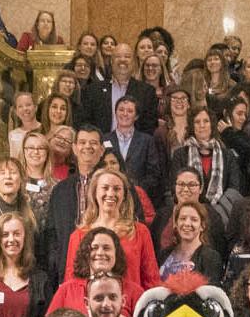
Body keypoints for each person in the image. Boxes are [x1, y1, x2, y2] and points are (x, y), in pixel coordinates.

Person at [66, 169, 160, 303]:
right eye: (105, 188)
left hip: (130, 309)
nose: (111, 193)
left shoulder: (140, 232)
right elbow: (71, 283)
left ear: (124, 195)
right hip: (89, 314)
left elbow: (152, 280)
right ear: (94, 193)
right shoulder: (78, 236)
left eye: (117, 189)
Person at [45, 126, 105, 277]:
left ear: (102, 149)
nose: (87, 147)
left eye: (93, 143)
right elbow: (51, 233)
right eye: (82, 142)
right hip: (68, 267)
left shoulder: (116, 187)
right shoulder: (60, 191)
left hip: (105, 263)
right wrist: (56, 261)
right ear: (74, 148)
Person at [105, 94, 167, 210]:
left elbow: (154, 174)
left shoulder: (147, 141)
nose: (124, 114)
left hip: (138, 200)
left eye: (129, 111)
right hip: (108, 198)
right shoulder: (104, 139)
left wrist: (136, 190)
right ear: (115, 112)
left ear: (136, 116)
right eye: (121, 110)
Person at [157, 197, 227, 284]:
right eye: (183, 218)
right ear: (176, 223)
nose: (187, 224)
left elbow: (210, 293)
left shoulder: (211, 257)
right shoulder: (164, 254)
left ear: (202, 226)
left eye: (194, 219)